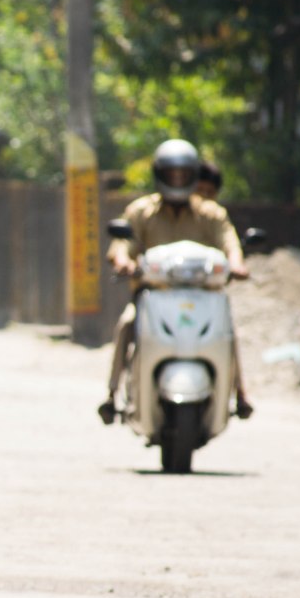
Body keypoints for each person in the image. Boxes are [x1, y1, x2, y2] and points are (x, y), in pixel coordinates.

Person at [97, 139, 253, 425]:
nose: (178, 180)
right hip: (154, 295)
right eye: (172, 174)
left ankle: (240, 393)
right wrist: (124, 262)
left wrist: (237, 264)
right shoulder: (141, 211)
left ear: (193, 174)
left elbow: (230, 243)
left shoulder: (210, 214)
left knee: (229, 330)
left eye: (183, 174)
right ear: (160, 175)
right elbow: (122, 245)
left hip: (202, 297)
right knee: (126, 325)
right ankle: (112, 394)